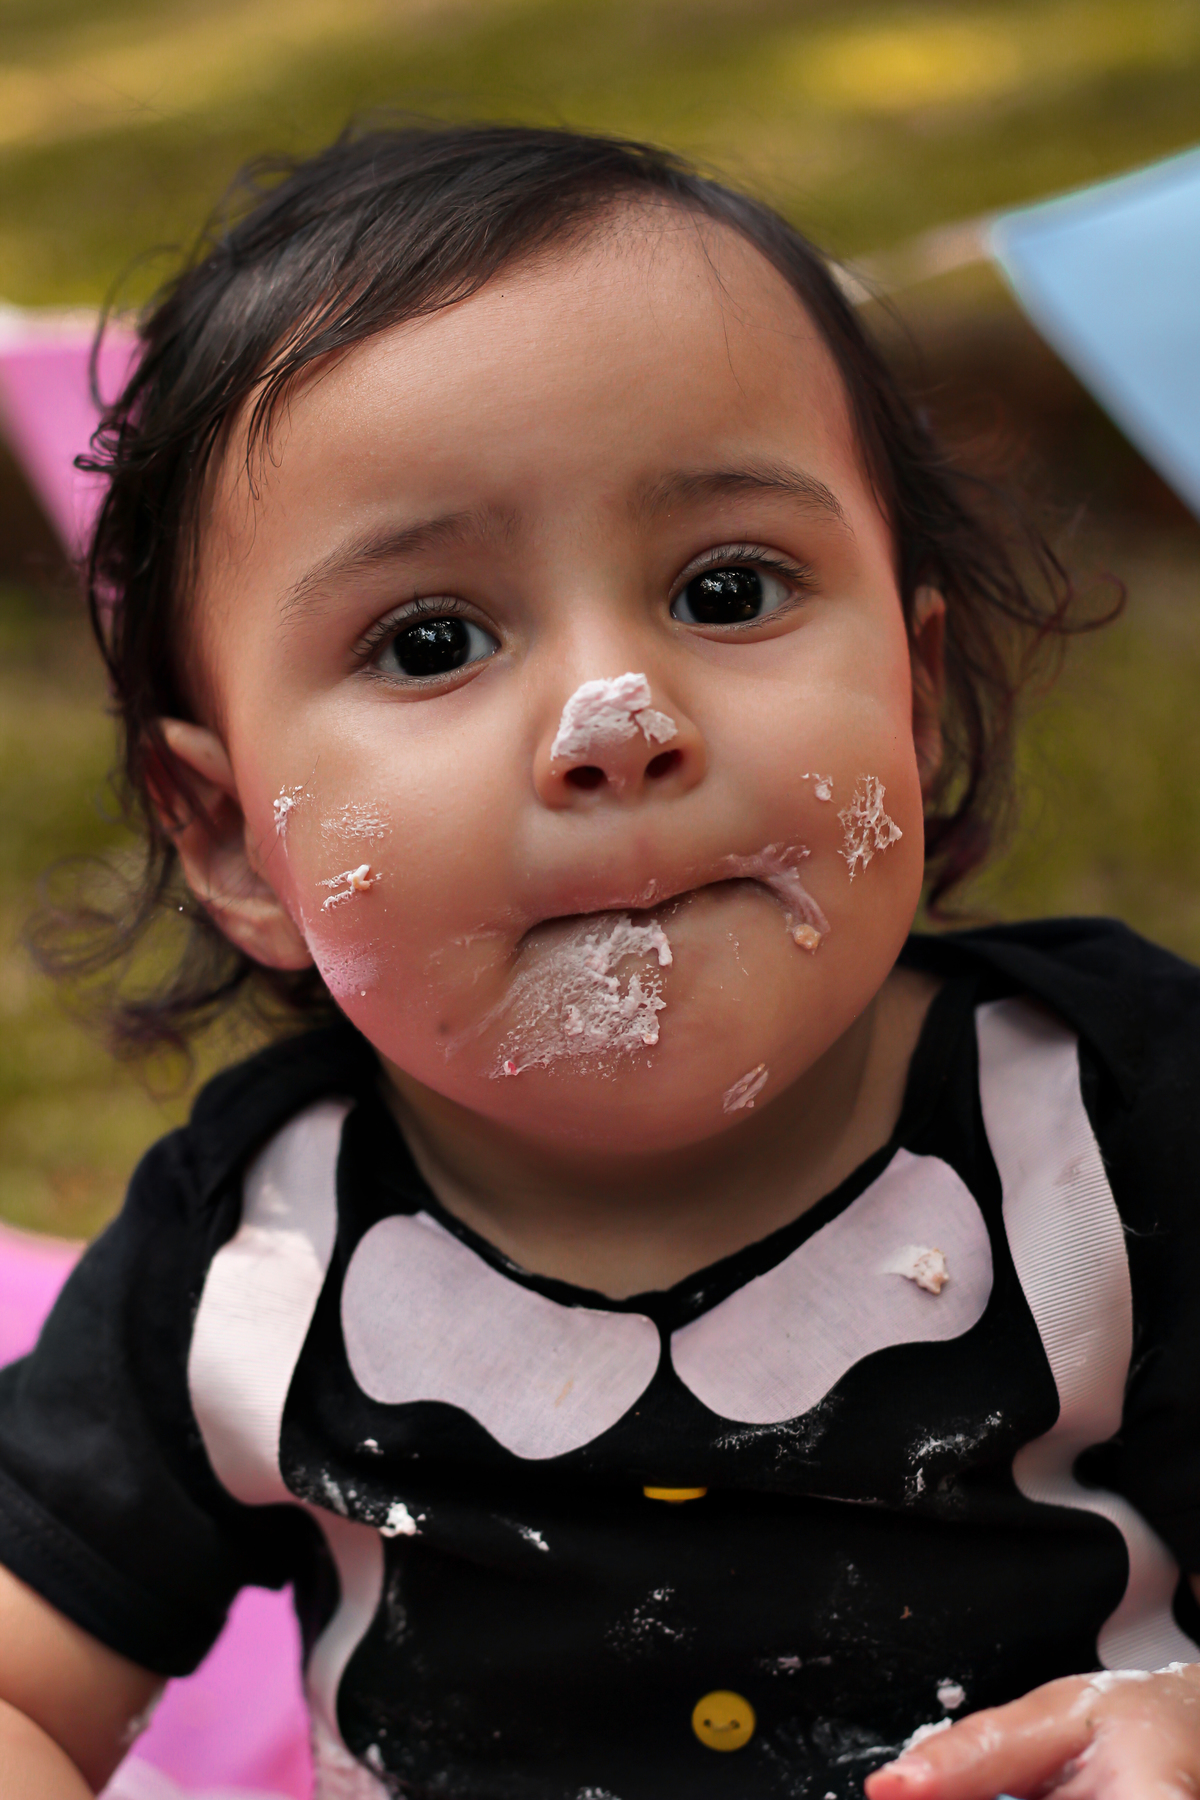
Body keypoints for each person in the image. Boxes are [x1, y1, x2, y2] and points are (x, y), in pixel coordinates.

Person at [0, 122, 1197, 1800]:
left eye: (727, 588)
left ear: (913, 704)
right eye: (434, 641)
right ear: (229, 839)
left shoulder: (1116, 1117)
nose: (615, 723)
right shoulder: (247, 1256)